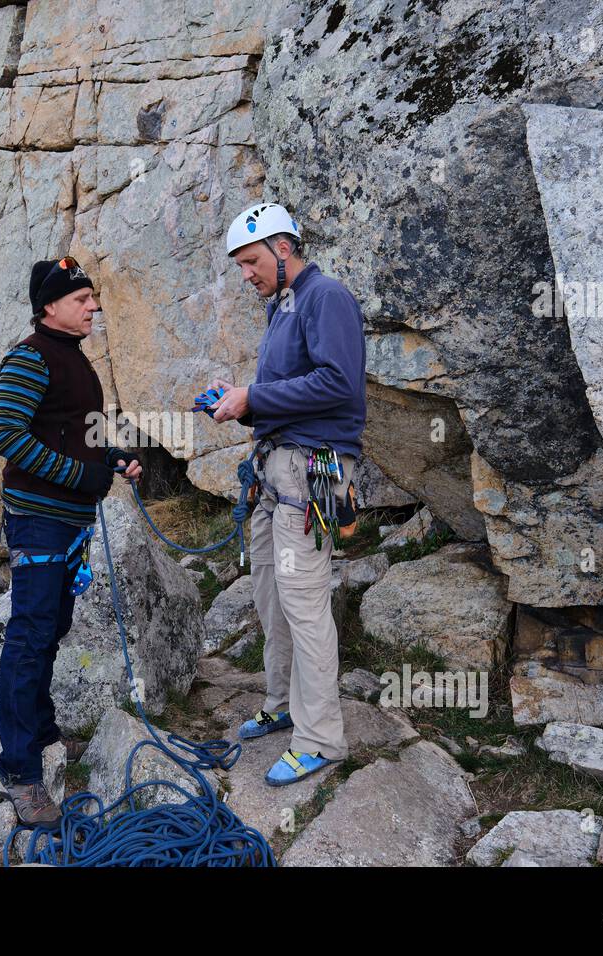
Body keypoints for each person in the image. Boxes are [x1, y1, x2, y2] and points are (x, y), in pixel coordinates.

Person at [208, 202, 367, 786]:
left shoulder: (326, 297)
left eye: (250, 261)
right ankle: (282, 704)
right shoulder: (284, 308)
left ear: (282, 248)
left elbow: (339, 381)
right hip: (278, 471)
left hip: (312, 470)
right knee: (270, 595)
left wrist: (254, 398)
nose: (245, 274)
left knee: (302, 601)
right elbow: (289, 389)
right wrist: (244, 396)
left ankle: (321, 738)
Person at [0, 255, 142, 825]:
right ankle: (20, 772)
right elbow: (5, 433)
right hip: (39, 522)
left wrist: (112, 456)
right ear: (50, 306)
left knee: (51, 627)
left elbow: (75, 435)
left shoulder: (74, 360)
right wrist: (81, 477)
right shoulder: (30, 357)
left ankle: (43, 733)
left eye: (93, 298)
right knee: (29, 636)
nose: (93, 306)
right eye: (82, 299)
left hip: (66, 523)